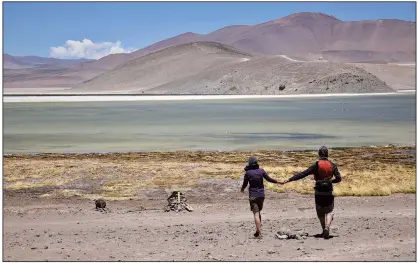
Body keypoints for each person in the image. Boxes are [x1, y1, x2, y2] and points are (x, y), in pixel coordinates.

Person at [279, 146, 342, 239]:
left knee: (320, 212)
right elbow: (339, 178)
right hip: (328, 191)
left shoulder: (316, 165)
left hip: (319, 191)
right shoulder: (332, 165)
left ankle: (324, 228)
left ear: (319, 154)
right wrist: (330, 181)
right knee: (330, 210)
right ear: (327, 154)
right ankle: (327, 227)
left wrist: (289, 180)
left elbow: (303, 174)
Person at [241, 156, 280, 238]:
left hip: (252, 196)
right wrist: (278, 182)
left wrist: (242, 189)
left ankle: (259, 232)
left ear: (249, 164)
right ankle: (257, 231)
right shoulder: (261, 171)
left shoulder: (248, 173)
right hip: (261, 196)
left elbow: (245, 184)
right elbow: (269, 179)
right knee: (258, 212)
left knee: (255, 213)